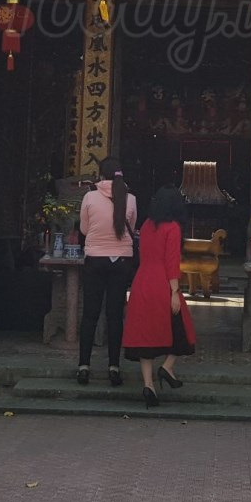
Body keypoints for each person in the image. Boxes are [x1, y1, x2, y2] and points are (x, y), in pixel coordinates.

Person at [122, 186, 196, 407]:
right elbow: (172, 262)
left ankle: (148, 385)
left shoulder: (146, 225)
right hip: (162, 282)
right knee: (182, 330)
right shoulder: (172, 228)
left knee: (145, 336)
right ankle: (167, 367)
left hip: (142, 280)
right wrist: (174, 291)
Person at [76, 156, 136, 387]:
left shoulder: (89, 197)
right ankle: (114, 367)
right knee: (115, 315)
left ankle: (84, 366)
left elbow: (84, 229)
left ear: (101, 174)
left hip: (95, 259)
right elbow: (131, 227)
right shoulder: (130, 199)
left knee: (90, 314)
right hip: (121, 261)